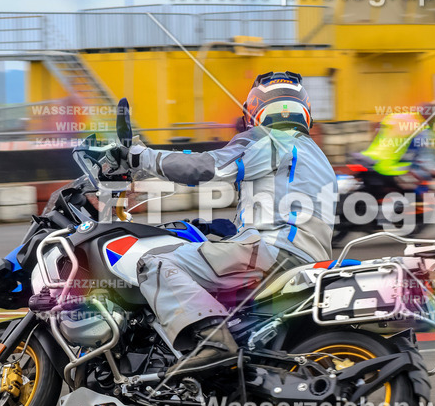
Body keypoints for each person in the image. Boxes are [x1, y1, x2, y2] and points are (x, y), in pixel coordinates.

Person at [124, 71, 337, 374]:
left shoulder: (268, 139)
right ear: (305, 109)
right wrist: (223, 227)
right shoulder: (318, 157)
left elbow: (205, 167)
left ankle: (212, 343)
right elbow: (282, 207)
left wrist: (141, 158)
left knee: (152, 263)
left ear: (253, 111)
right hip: (305, 260)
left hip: (272, 253)